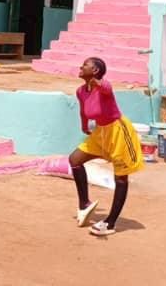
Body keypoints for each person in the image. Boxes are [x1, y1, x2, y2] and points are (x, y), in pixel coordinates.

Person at [68, 57, 144, 237]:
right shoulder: (81, 91)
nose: (81, 66)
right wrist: (84, 125)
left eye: (85, 65)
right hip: (100, 132)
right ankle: (84, 204)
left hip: (118, 131)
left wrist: (97, 82)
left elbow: (106, 88)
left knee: (121, 177)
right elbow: (83, 110)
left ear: (95, 71)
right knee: (75, 159)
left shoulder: (104, 87)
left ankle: (110, 222)